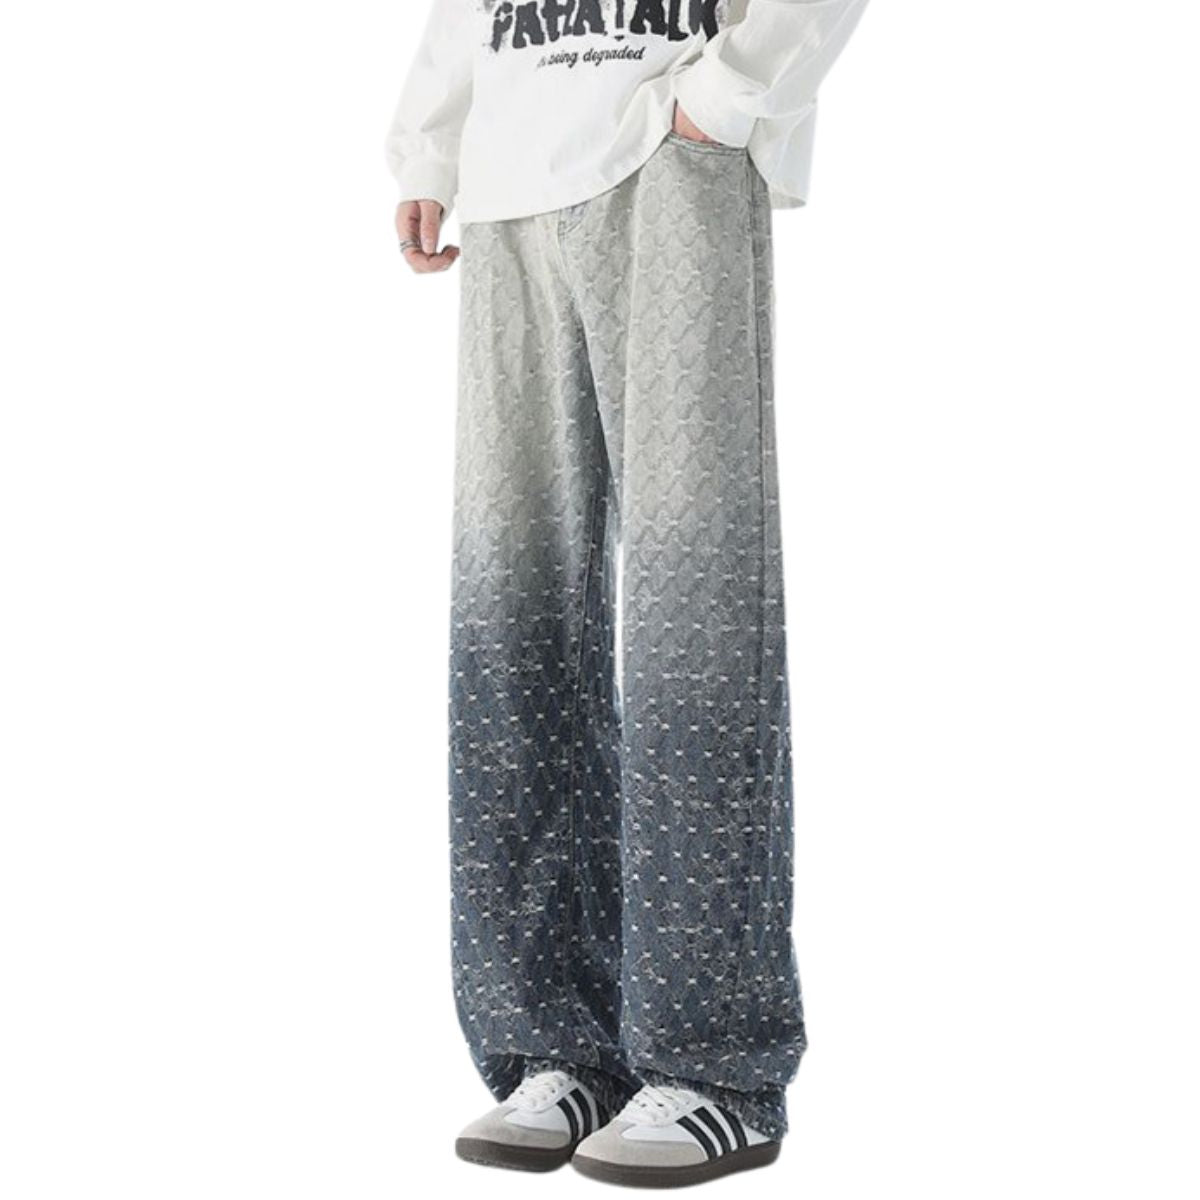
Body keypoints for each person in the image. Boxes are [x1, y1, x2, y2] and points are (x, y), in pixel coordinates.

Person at [386, 0, 869, 1186]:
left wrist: (732, 90)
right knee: (513, 613)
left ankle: (714, 1068)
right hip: (511, 178)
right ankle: (558, 1047)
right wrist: (432, 142)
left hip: (670, 148)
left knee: (693, 608)